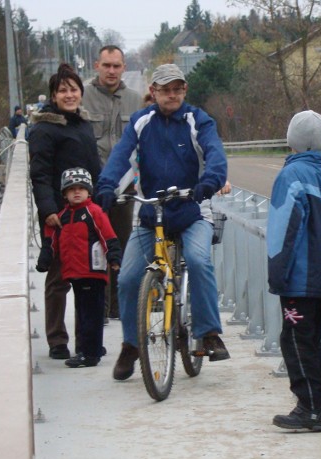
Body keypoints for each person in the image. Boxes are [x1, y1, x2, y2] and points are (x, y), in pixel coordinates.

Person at [95, 63, 230, 381]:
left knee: (198, 260)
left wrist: (209, 181)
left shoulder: (198, 120)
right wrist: (105, 186)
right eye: (165, 89)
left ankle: (208, 333)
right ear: (153, 92)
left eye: (177, 89)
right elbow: (121, 157)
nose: (172, 95)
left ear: (184, 90)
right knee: (128, 279)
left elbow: (215, 154)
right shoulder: (142, 122)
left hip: (191, 210)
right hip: (150, 214)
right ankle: (131, 343)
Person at [267, 110, 321, 432]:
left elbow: (283, 230)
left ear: (291, 140)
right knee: (310, 341)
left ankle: (310, 408)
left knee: (296, 341)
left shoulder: (291, 176)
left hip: (298, 279)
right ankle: (317, 405)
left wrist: (277, 274)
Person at [29, 63, 101, 360]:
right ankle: (57, 339)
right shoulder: (44, 129)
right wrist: (48, 211)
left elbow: (94, 168)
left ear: (81, 93)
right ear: (53, 95)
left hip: (87, 214)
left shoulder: (82, 124)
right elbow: (41, 175)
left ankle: (86, 340)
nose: (69, 95)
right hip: (60, 216)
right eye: (63, 90)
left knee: (88, 280)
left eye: (73, 89)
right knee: (59, 279)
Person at [81, 45, 144, 324]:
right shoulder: (82, 96)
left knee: (122, 243)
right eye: (106, 65)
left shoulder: (135, 101)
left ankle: (119, 307)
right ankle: (99, 308)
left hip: (124, 186)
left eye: (117, 66)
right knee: (92, 246)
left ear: (123, 67)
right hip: (89, 186)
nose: (111, 71)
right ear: (97, 65)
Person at [36, 168, 121, 367]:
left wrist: (114, 257)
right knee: (83, 311)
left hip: (93, 271)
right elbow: (52, 241)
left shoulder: (94, 212)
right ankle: (92, 347)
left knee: (91, 312)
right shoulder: (63, 216)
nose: (77, 192)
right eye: (72, 189)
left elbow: (108, 236)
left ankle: (89, 354)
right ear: (64, 193)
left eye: (81, 188)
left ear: (89, 192)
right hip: (74, 273)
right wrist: (45, 259)